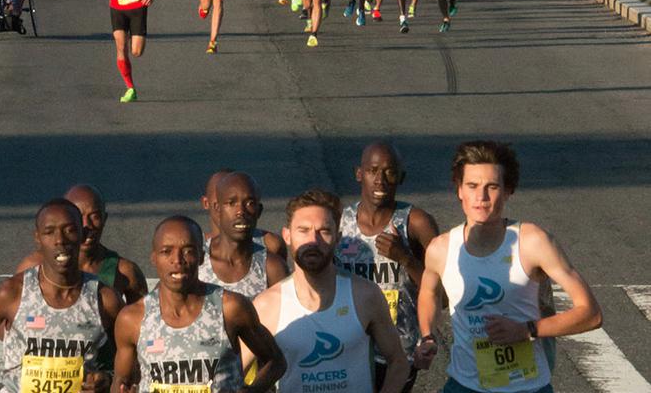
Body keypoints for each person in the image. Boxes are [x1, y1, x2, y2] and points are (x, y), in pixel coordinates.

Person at [415, 140, 603, 393]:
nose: (481, 198)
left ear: (508, 190)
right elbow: (429, 293)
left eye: (491, 187)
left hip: (527, 388)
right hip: (463, 386)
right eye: (472, 186)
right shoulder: (441, 249)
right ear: (459, 189)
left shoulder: (532, 242)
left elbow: (591, 313)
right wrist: (428, 336)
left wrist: (527, 330)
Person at [246, 189, 411, 393]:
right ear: (287, 235)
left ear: (338, 237)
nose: (313, 241)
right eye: (303, 230)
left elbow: (399, 362)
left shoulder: (365, 295)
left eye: (324, 231)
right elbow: (232, 372)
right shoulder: (266, 305)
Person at [0, 199, 123, 393]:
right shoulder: (12, 293)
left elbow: (133, 359)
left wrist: (107, 380)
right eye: (49, 232)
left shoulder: (104, 299)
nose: (59, 240)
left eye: (69, 230)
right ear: (38, 238)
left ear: (82, 235)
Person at [111, 216, 287, 391]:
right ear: (154, 258)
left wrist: (253, 391)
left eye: (188, 251)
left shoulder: (230, 308)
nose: (178, 260)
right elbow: (121, 381)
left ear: (202, 256)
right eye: (166, 251)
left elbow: (276, 361)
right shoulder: (133, 318)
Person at [337, 143, 441, 392]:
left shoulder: (415, 222)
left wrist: (405, 258)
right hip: (350, 344)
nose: (380, 180)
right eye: (373, 170)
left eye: (390, 172)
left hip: (398, 349)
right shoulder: (339, 222)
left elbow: (443, 294)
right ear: (358, 173)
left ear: (401, 177)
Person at [15, 184, 149, 304]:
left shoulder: (124, 272)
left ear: (104, 219)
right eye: (79, 216)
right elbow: (6, 315)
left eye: (95, 216)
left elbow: (142, 323)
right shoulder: (34, 266)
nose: (87, 225)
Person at [199, 172, 289, 298]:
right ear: (217, 208)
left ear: (259, 211)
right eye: (231, 203)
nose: (240, 211)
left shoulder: (272, 267)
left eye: (249, 203)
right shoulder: (197, 260)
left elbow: (286, 313)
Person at [200, 168, 288, 261]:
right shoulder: (196, 248)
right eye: (230, 202)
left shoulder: (270, 245)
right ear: (207, 203)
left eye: (249, 203)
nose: (238, 210)